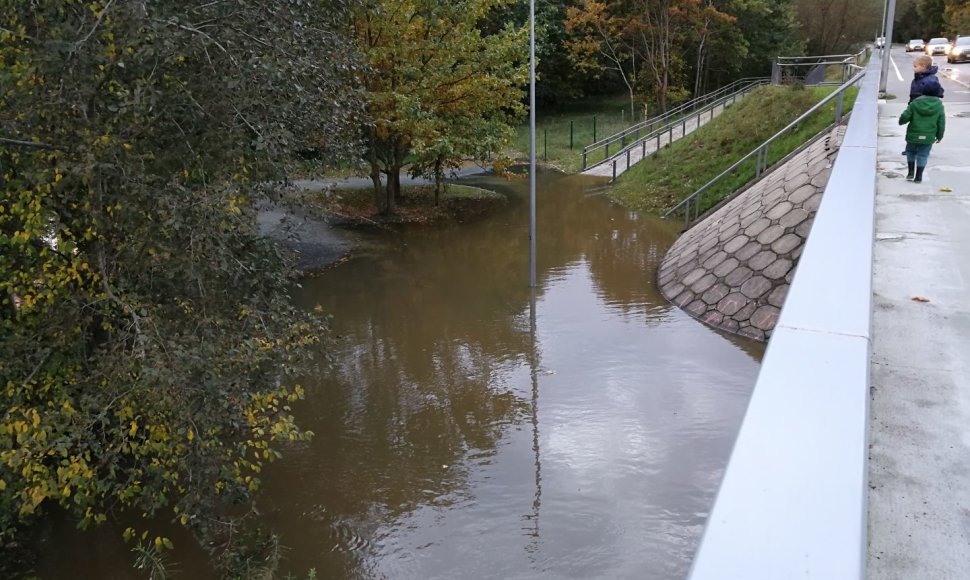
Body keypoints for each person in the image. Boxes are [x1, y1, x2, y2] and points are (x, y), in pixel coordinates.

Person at [899, 84, 945, 184]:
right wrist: (940, 136)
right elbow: (941, 122)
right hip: (929, 136)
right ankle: (918, 177)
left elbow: (906, 115)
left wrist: (901, 121)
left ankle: (910, 172)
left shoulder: (915, 103)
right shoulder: (939, 105)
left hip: (913, 135)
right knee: (923, 155)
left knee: (910, 152)